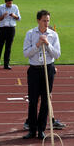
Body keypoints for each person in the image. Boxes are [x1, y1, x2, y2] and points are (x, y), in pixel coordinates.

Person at [22, 10, 61, 139]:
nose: (46, 23)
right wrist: (37, 45)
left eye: (48, 20)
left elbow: (57, 55)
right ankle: (32, 130)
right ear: (38, 20)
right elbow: (26, 53)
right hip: (34, 69)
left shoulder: (53, 35)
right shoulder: (30, 34)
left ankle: (41, 129)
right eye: (44, 20)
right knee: (33, 101)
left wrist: (48, 44)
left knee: (45, 100)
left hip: (48, 68)